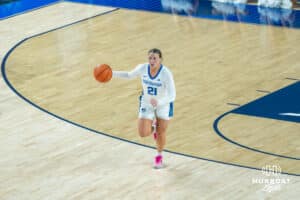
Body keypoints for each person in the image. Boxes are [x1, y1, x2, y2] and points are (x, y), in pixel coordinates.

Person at [112, 48, 176, 169]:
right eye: (150, 58)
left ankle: (159, 157)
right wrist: (112, 73)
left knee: (161, 131)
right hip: (147, 102)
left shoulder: (166, 73)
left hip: (163, 104)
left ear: (160, 60)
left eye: (155, 58)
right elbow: (129, 75)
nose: (152, 60)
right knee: (143, 133)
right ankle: (152, 127)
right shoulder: (142, 68)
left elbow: (172, 95)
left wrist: (159, 102)